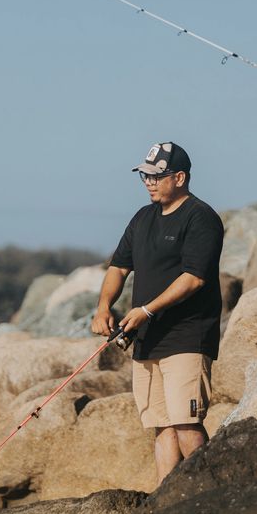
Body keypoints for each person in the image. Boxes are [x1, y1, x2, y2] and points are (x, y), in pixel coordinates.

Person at [91, 141, 224, 485]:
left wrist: (146, 311)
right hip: (147, 340)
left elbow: (194, 279)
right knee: (161, 426)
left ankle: (211, 496)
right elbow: (118, 268)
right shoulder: (142, 218)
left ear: (179, 177)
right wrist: (103, 307)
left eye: (156, 175)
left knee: (186, 424)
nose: (148, 182)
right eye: (145, 176)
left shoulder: (201, 217)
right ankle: (167, 503)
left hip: (187, 336)